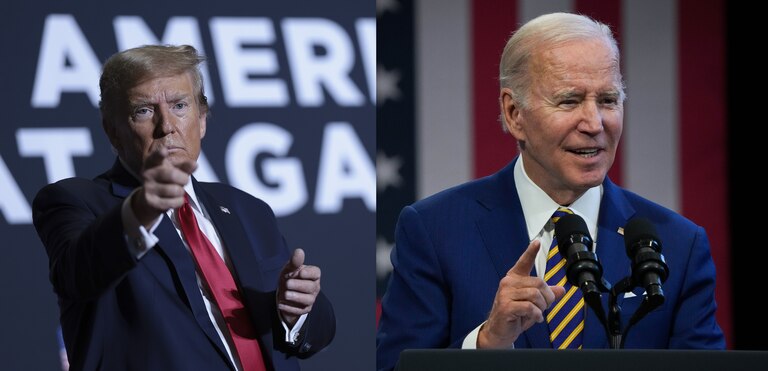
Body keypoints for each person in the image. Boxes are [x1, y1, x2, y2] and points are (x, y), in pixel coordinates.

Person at [376, 12, 724, 370]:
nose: (594, 123)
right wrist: (487, 343)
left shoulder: (679, 244)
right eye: (569, 101)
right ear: (514, 114)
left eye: (607, 100)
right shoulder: (435, 230)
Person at [33, 45, 335, 371]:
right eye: (144, 111)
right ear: (113, 131)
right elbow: (78, 274)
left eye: (179, 106)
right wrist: (141, 209)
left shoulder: (248, 210)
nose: (167, 126)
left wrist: (296, 312)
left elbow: (318, 333)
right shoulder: (76, 201)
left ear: (202, 120)